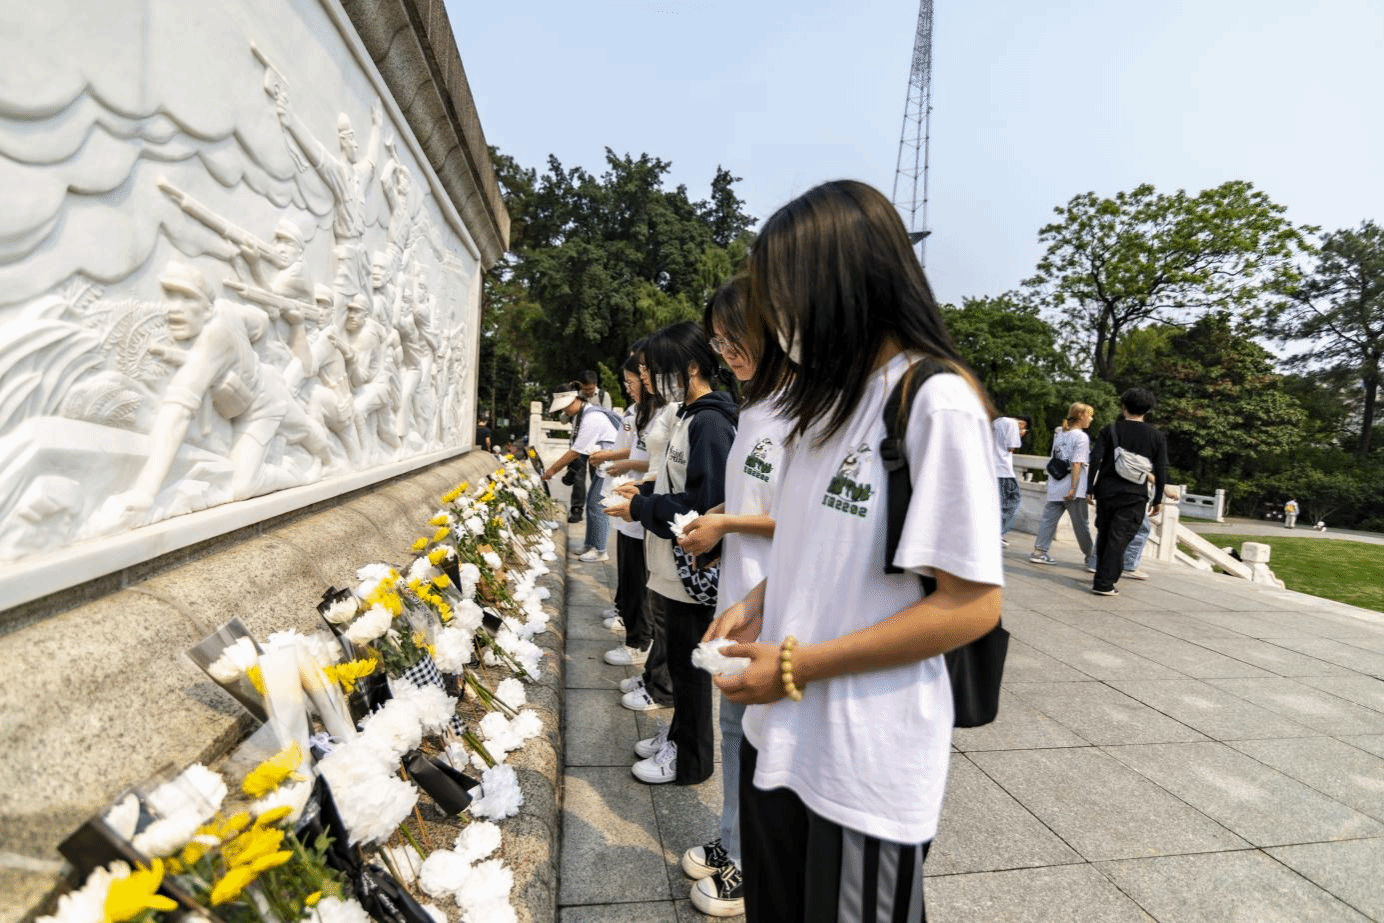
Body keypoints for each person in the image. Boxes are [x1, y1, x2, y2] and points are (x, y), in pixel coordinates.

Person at [706, 181, 1002, 923]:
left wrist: (794, 666)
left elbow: (971, 605)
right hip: (778, 738)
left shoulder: (933, 402)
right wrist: (757, 602)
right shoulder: (824, 406)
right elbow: (815, 546)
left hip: (862, 760)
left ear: (841, 282)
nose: (777, 322)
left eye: (784, 298)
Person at [672, 278, 793, 917]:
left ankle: (752, 864)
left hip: (776, 597)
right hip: (738, 590)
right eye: (718, 340)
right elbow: (751, 499)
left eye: (735, 335)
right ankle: (732, 838)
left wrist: (726, 524)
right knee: (733, 729)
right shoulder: (754, 408)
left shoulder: (800, 413)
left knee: (760, 737)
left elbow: (805, 522)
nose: (727, 351)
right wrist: (715, 516)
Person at [606, 321, 738, 786]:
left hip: (691, 568)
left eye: (659, 369)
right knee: (681, 664)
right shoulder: (686, 415)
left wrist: (642, 508)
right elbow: (674, 482)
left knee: (689, 668)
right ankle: (679, 737)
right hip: (671, 564)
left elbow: (705, 505)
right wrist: (644, 492)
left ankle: (692, 761)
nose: (652, 379)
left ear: (692, 367)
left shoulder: (710, 423)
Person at [591, 345, 656, 667]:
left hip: (643, 503)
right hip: (630, 500)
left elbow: (653, 462)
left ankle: (639, 642)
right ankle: (634, 632)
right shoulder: (640, 412)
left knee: (640, 581)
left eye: (634, 379)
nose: (630, 386)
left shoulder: (664, 415)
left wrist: (623, 464)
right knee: (630, 575)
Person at [1086, 388, 1168, 597]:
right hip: (1134, 494)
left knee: (1105, 533)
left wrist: (1089, 488)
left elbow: (1095, 459)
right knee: (1120, 537)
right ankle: (1104, 583)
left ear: (1123, 407)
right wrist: (1157, 499)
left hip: (1106, 491)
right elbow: (1161, 469)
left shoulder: (1110, 429)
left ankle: (1102, 577)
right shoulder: (1156, 436)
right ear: (1147, 410)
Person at [541, 384, 619, 562]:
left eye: (565, 406)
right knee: (592, 503)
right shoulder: (582, 414)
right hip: (604, 464)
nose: (564, 410)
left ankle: (600, 551)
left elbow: (575, 452)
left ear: (575, 400)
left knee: (597, 505)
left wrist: (551, 470)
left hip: (612, 464)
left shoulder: (592, 417)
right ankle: (590, 544)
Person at [1030, 404, 1095, 566]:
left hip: (1056, 484)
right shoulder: (1081, 437)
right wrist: (1073, 488)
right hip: (1073, 489)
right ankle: (1092, 558)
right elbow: (1076, 463)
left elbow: (1057, 458)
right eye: (1089, 415)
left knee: (1048, 520)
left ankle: (1039, 552)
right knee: (1081, 525)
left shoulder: (1060, 433)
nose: (1091, 419)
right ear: (1081, 416)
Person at [993, 414, 1030, 545]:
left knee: (997, 503)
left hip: (992, 468)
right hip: (1003, 471)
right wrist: (1020, 434)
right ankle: (998, 534)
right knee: (1013, 502)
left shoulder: (997, 422)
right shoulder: (1012, 424)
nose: (1021, 428)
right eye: (1022, 425)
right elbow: (1011, 448)